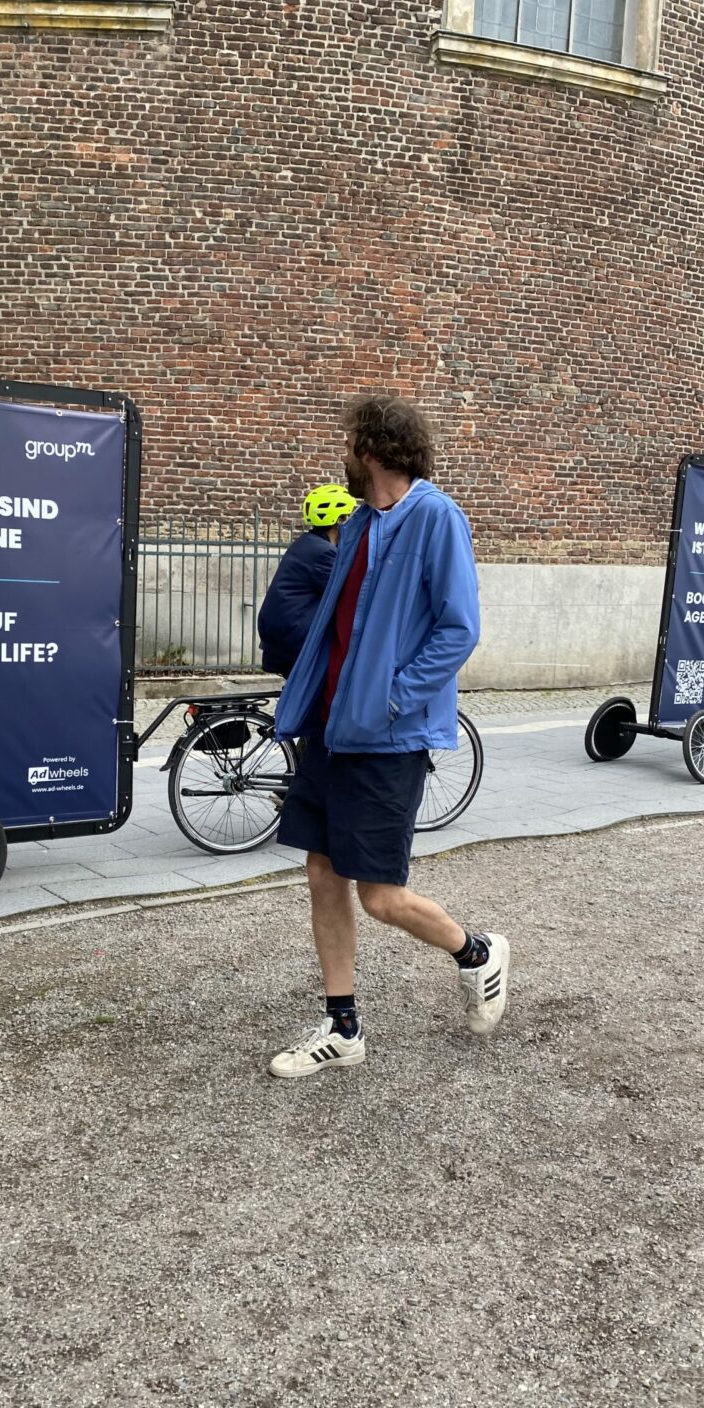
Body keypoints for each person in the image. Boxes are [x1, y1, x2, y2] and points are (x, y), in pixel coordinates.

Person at [266, 395, 508, 1080]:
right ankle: (343, 1029)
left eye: (347, 443)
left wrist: (394, 695)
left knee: (380, 896)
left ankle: (478, 953)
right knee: (321, 872)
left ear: (370, 450)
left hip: (388, 737)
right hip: (333, 729)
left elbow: (458, 628)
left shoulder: (435, 518)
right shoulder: (362, 523)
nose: (342, 454)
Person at [257, 484, 355, 678]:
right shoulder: (322, 552)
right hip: (295, 640)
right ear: (339, 521)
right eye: (348, 517)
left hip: (281, 638)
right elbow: (348, 597)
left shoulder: (308, 543)